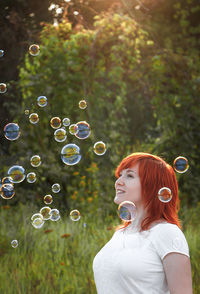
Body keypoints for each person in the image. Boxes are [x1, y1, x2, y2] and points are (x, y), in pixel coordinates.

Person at [93, 152, 193, 294]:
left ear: (152, 185)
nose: (119, 182)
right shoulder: (120, 234)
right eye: (120, 175)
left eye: (129, 176)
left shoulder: (167, 232)